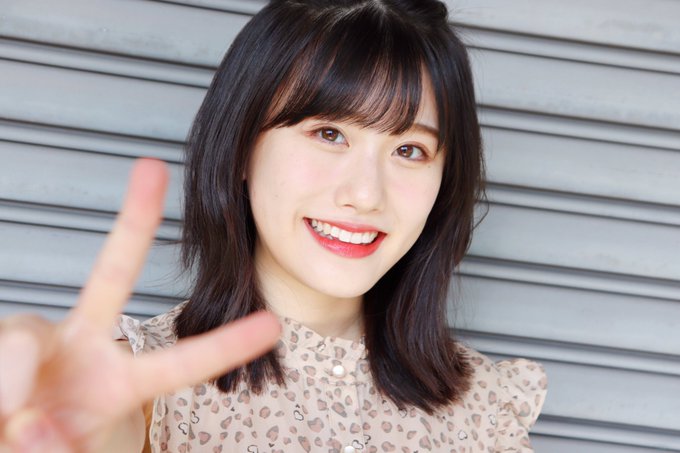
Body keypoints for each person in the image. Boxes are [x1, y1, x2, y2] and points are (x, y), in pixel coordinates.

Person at [0, 0, 547, 452]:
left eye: (409, 149)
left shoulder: (485, 408)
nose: (365, 195)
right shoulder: (141, 389)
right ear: (242, 147)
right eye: (329, 133)